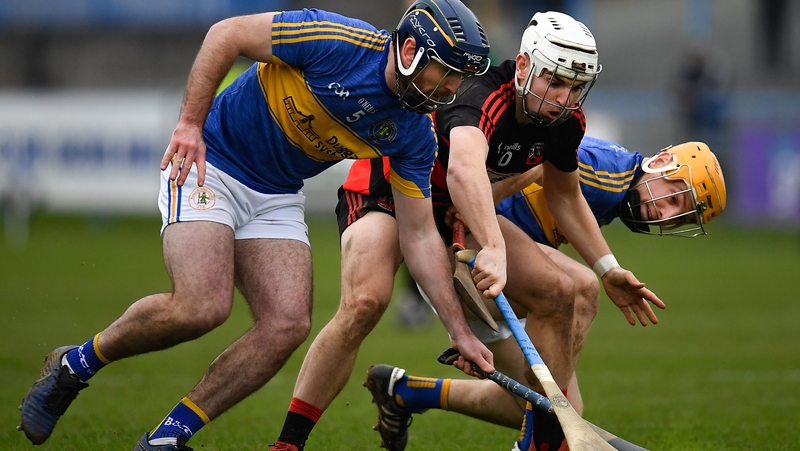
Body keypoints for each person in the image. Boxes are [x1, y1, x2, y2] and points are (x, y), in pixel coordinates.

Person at [17, 2, 495, 450]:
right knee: (200, 307)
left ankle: (167, 437)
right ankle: (74, 366)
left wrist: (460, 332)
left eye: (460, 79)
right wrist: (188, 125)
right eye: (448, 73)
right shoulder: (335, 40)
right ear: (410, 51)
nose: (452, 89)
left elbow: (417, 235)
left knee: (287, 325)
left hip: (277, 195)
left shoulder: (414, 132)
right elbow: (224, 34)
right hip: (212, 163)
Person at [330, 10, 662, 451]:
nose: (565, 99)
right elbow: (463, 170)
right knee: (554, 310)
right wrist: (493, 246)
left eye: (576, 88)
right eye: (555, 82)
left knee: (581, 293)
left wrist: (607, 267)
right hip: (405, 210)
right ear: (524, 66)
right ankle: (542, 439)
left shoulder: (564, 122)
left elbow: (564, 195)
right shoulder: (479, 95)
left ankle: (417, 395)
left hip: (460, 224)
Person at [367, 138, 727, 451]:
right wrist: (479, 202)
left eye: (678, 218)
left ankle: (405, 392)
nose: (664, 215)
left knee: (549, 406)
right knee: (580, 297)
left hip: (504, 271)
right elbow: (542, 159)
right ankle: (536, 445)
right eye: (675, 198)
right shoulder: (611, 172)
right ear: (662, 162)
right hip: (467, 251)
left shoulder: (615, 189)